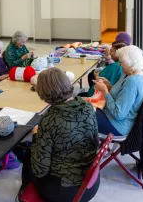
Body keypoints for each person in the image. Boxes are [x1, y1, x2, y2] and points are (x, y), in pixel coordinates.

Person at [21, 68, 100, 202]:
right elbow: (95, 142)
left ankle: (24, 195)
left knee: (29, 155)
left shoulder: (50, 119)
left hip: (64, 191)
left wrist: (36, 137)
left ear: (43, 92)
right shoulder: (87, 107)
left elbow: (40, 169)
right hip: (90, 184)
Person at [94, 45, 143, 136]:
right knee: (84, 109)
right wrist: (109, 86)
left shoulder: (132, 82)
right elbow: (122, 94)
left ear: (130, 64)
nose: (119, 64)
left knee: (80, 116)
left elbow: (118, 114)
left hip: (117, 125)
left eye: (121, 62)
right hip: (111, 116)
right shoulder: (130, 73)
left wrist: (105, 91)